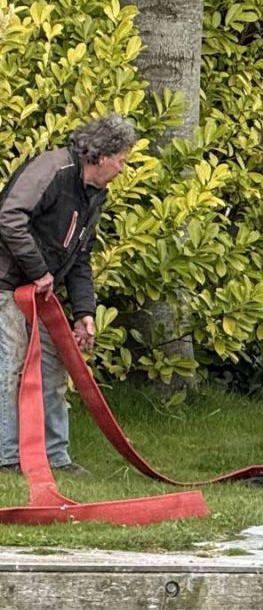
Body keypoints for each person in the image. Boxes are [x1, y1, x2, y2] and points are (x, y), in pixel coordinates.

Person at [0, 114, 135, 473]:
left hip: (39, 288)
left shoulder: (95, 193)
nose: (123, 168)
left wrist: (84, 313)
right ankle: (8, 458)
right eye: (122, 159)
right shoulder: (52, 168)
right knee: (11, 366)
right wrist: (37, 270)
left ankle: (56, 457)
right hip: (5, 283)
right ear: (102, 155)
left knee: (55, 368)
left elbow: (80, 257)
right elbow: (10, 217)